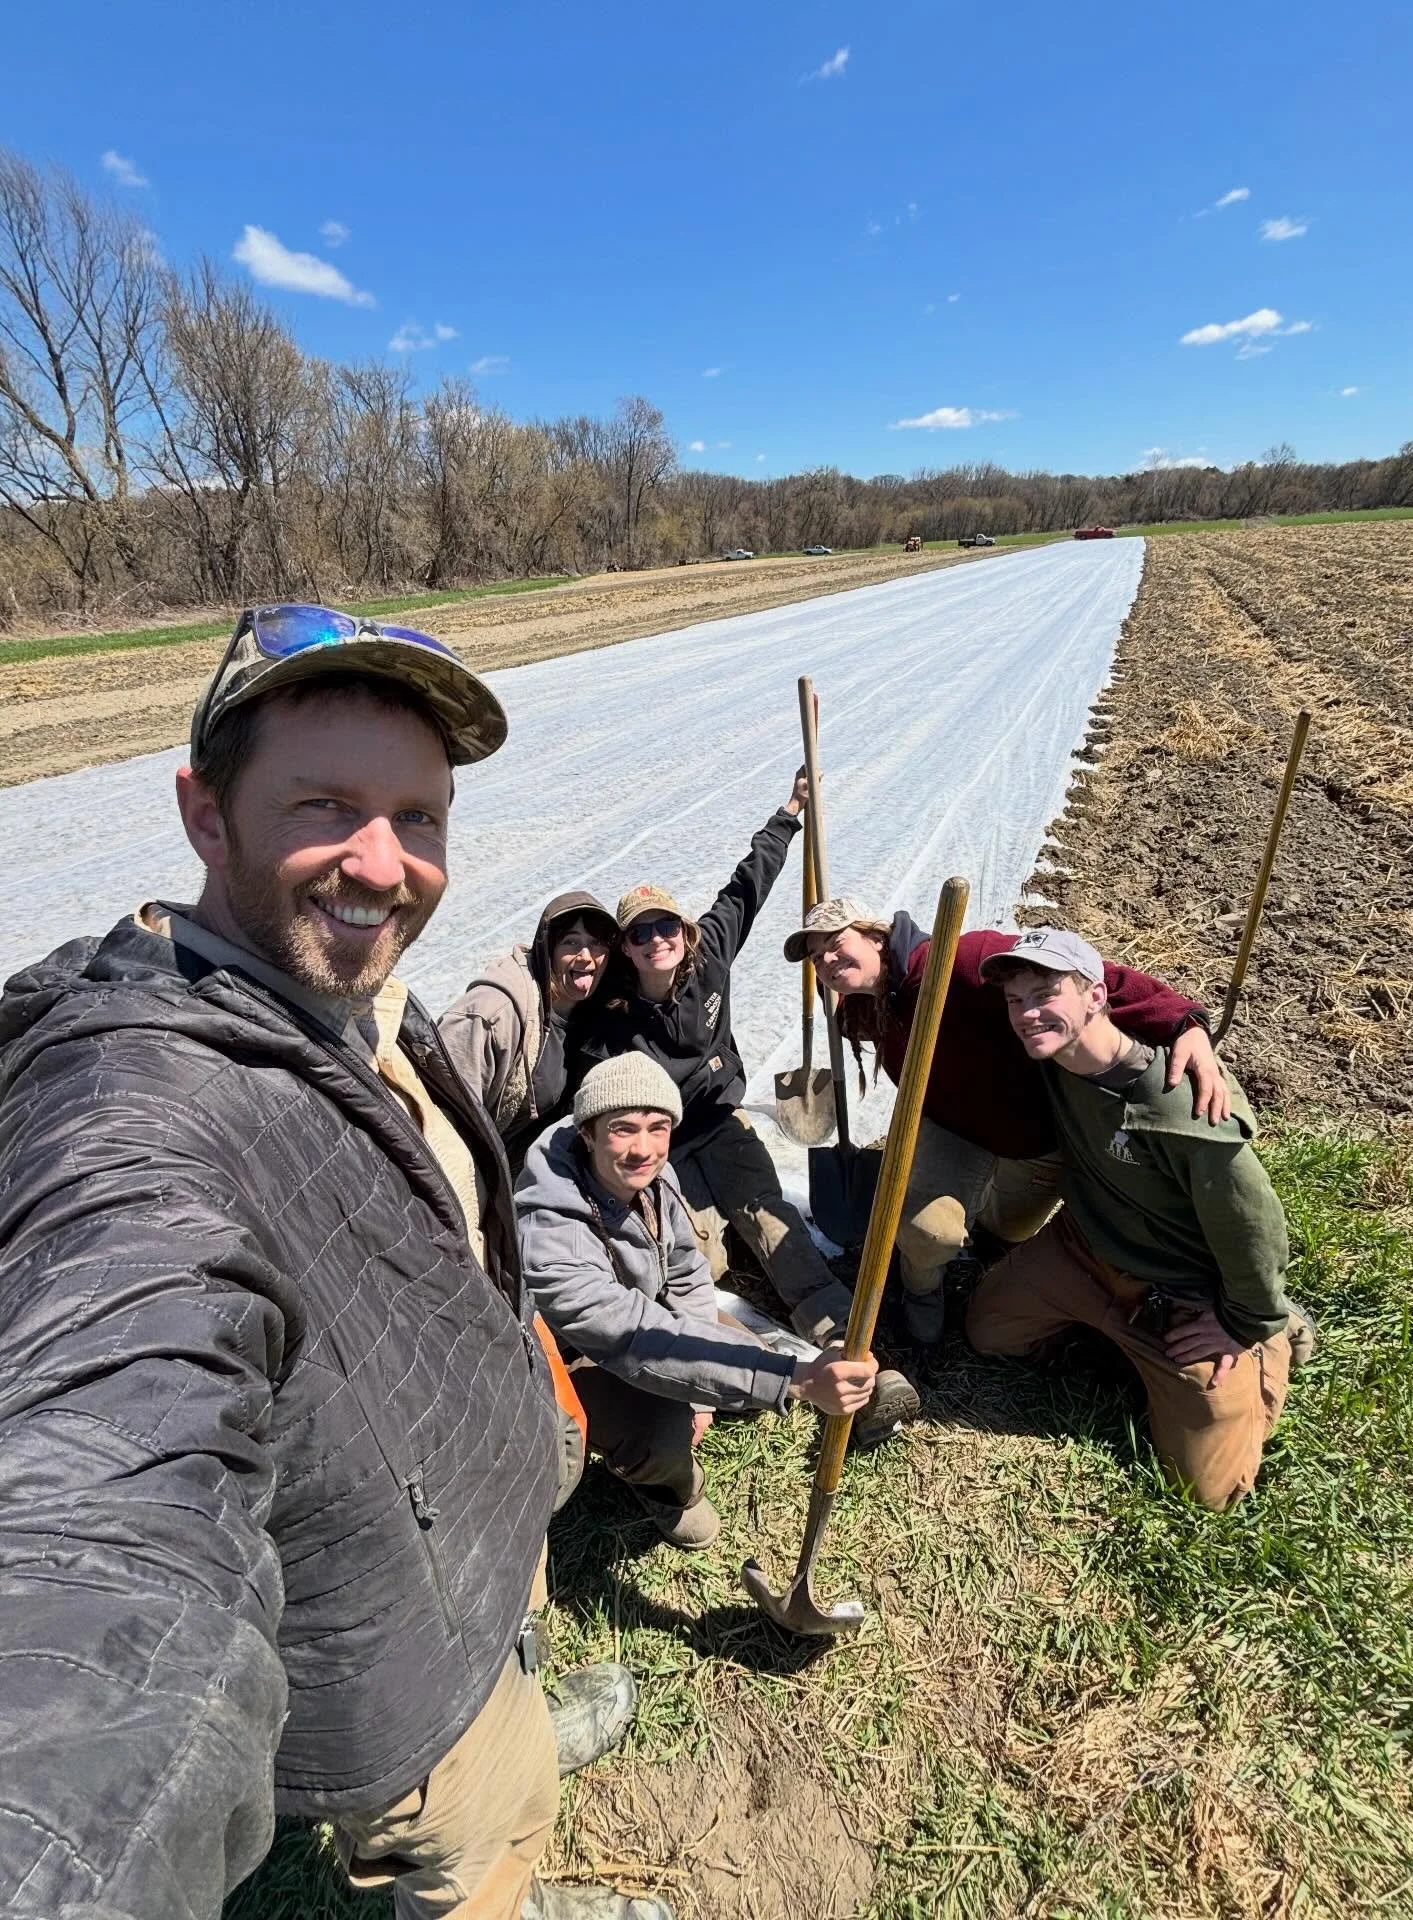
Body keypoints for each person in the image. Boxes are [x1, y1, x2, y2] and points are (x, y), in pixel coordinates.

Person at [0, 604, 664, 1920]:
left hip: (471, 1526)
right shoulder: (135, 1108)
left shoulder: (359, 1002)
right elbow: (102, 1510)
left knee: (511, 1712)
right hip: (390, 1634)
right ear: (205, 812)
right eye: (325, 805)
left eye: (419, 817)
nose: (383, 863)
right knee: (481, 1842)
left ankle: (520, 1713)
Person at [576, 776, 921, 1447]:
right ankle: (783, 1369)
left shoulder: (708, 953)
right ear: (625, 946)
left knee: (773, 1228)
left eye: (664, 925)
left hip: (724, 1130)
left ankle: (858, 1363)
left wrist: (790, 812)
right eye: (639, 932)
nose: (657, 939)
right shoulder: (608, 1020)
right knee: (695, 1271)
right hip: (669, 1153)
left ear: (681, 929)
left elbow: (748, 882)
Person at [785, 898, 1230, 1349]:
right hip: (952, 1128)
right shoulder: (868, 1006)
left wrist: (1182, 1022)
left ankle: (983, 1254)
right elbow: (860, 1016)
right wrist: (841, 990)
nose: (826, 960)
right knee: (927, 1234)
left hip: (1034, 1140)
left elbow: (1096, 978)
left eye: (836, 944)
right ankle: (922, 1289)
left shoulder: (964, 961)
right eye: (816, 957)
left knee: (1007, 1232)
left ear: (877, 937)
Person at [970, 928, 1301, 1508]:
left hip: (1181, 1289)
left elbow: (1256, 1224)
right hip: (1085, 1248)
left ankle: (1273, 1337)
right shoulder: (1053, 1060)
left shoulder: (1178, 1100)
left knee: (1208, 1491)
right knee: (987, 1334)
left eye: (1045, 994)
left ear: (1097, 997)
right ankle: (1118, 1336)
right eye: (1015, 1000)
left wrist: (1244, 1319)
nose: (1027, 1013)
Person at [516, 1054, 878, 1548]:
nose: (643, 1148)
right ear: (588, 1133)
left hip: (647, 1323)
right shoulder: (552, 1238)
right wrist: (796, 1382)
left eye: (658, 1127)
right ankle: (668, 1489)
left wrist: (699, 1389)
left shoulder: (650, 1173)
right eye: (623, 1129)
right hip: (567, 1359)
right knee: (662, 1432)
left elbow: (685, 1266)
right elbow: (634, 1339)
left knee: (747, 1372)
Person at [441, 892, 619, 1166]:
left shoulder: (587, 1011)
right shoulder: (496, 1012)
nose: (586, 956)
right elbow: (441, 1119)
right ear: (548, 949)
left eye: (596, 944)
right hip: (473, 1175)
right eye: (571, 942)